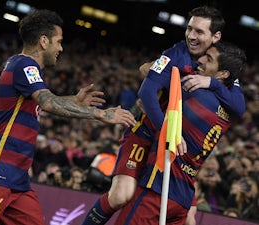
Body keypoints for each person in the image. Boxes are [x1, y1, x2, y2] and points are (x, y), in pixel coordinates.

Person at [0, 9, 136, 225]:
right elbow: (47, 102)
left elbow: (45, 99)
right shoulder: (24, 64)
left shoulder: (24, 68)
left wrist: (73, 100)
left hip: (18, 180)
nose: (61, 48)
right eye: (59, 41)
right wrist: (101, 114)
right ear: (44, 41)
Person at [81, 5, 244, 225]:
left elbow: (239, 106)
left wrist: (211, 82)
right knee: (122, 195)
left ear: (215, 37)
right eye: (189, 29)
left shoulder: (220, 60)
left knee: (189, 216)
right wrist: (168, 132)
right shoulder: (175, 53)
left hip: (169, 142)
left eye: (199, 32)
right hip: (148, 131)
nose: (191, 36)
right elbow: (146, 93)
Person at [114, 40, 247, 224]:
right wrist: (213, 83)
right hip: (183, 200)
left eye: (208, 59)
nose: (200, 60)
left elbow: (149, 82)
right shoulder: (229, 108)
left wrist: (152, 69)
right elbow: (240, 106)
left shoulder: (194, 91)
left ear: (223, 74)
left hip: (158, 189)